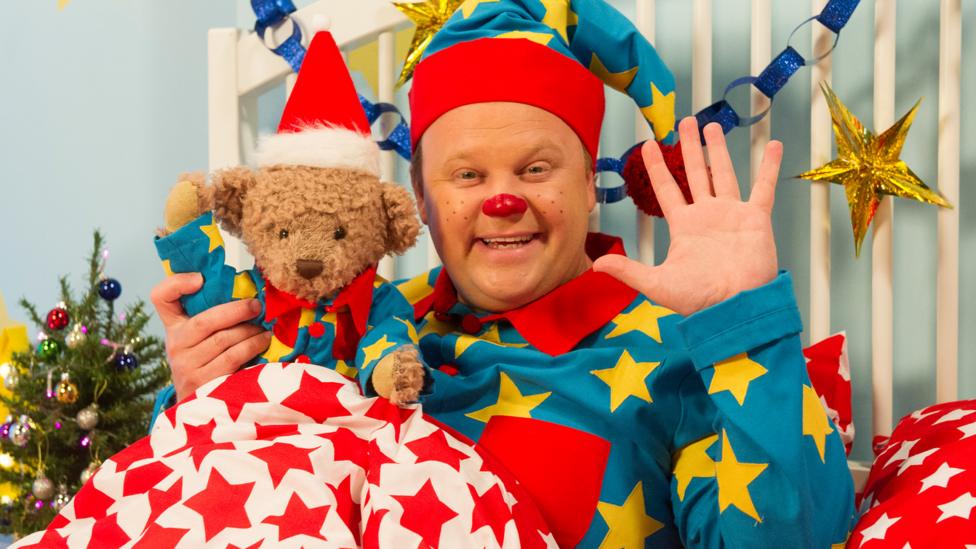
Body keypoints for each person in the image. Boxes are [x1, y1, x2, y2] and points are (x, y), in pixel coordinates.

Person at [151, 1, 855, 546]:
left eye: (536, 168)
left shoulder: (680, 346)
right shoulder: (358, 332)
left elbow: (790, 536)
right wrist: (199, 395)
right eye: (466, 175)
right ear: (421, 202)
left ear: (587, 182)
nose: (502, 198)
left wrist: (745, 327)